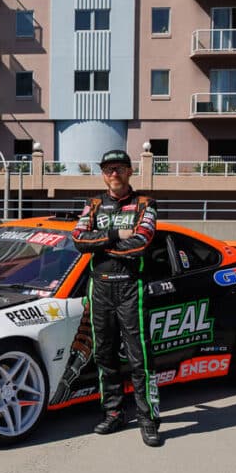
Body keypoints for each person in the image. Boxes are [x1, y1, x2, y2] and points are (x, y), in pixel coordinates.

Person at [72, 149, 162, 447]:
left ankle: (148, 419)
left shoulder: (146, 204)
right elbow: (77, 240)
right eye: (109, 169)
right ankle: (113, 413)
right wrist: (114, 235)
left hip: (130, 287)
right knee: (103, 355)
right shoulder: (94, 204)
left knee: (140, 358)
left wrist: (100, 242)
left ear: (130, 171)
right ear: (103, 174)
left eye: (120, 168)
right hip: (100, 288)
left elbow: (141, 243)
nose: (114, 174)